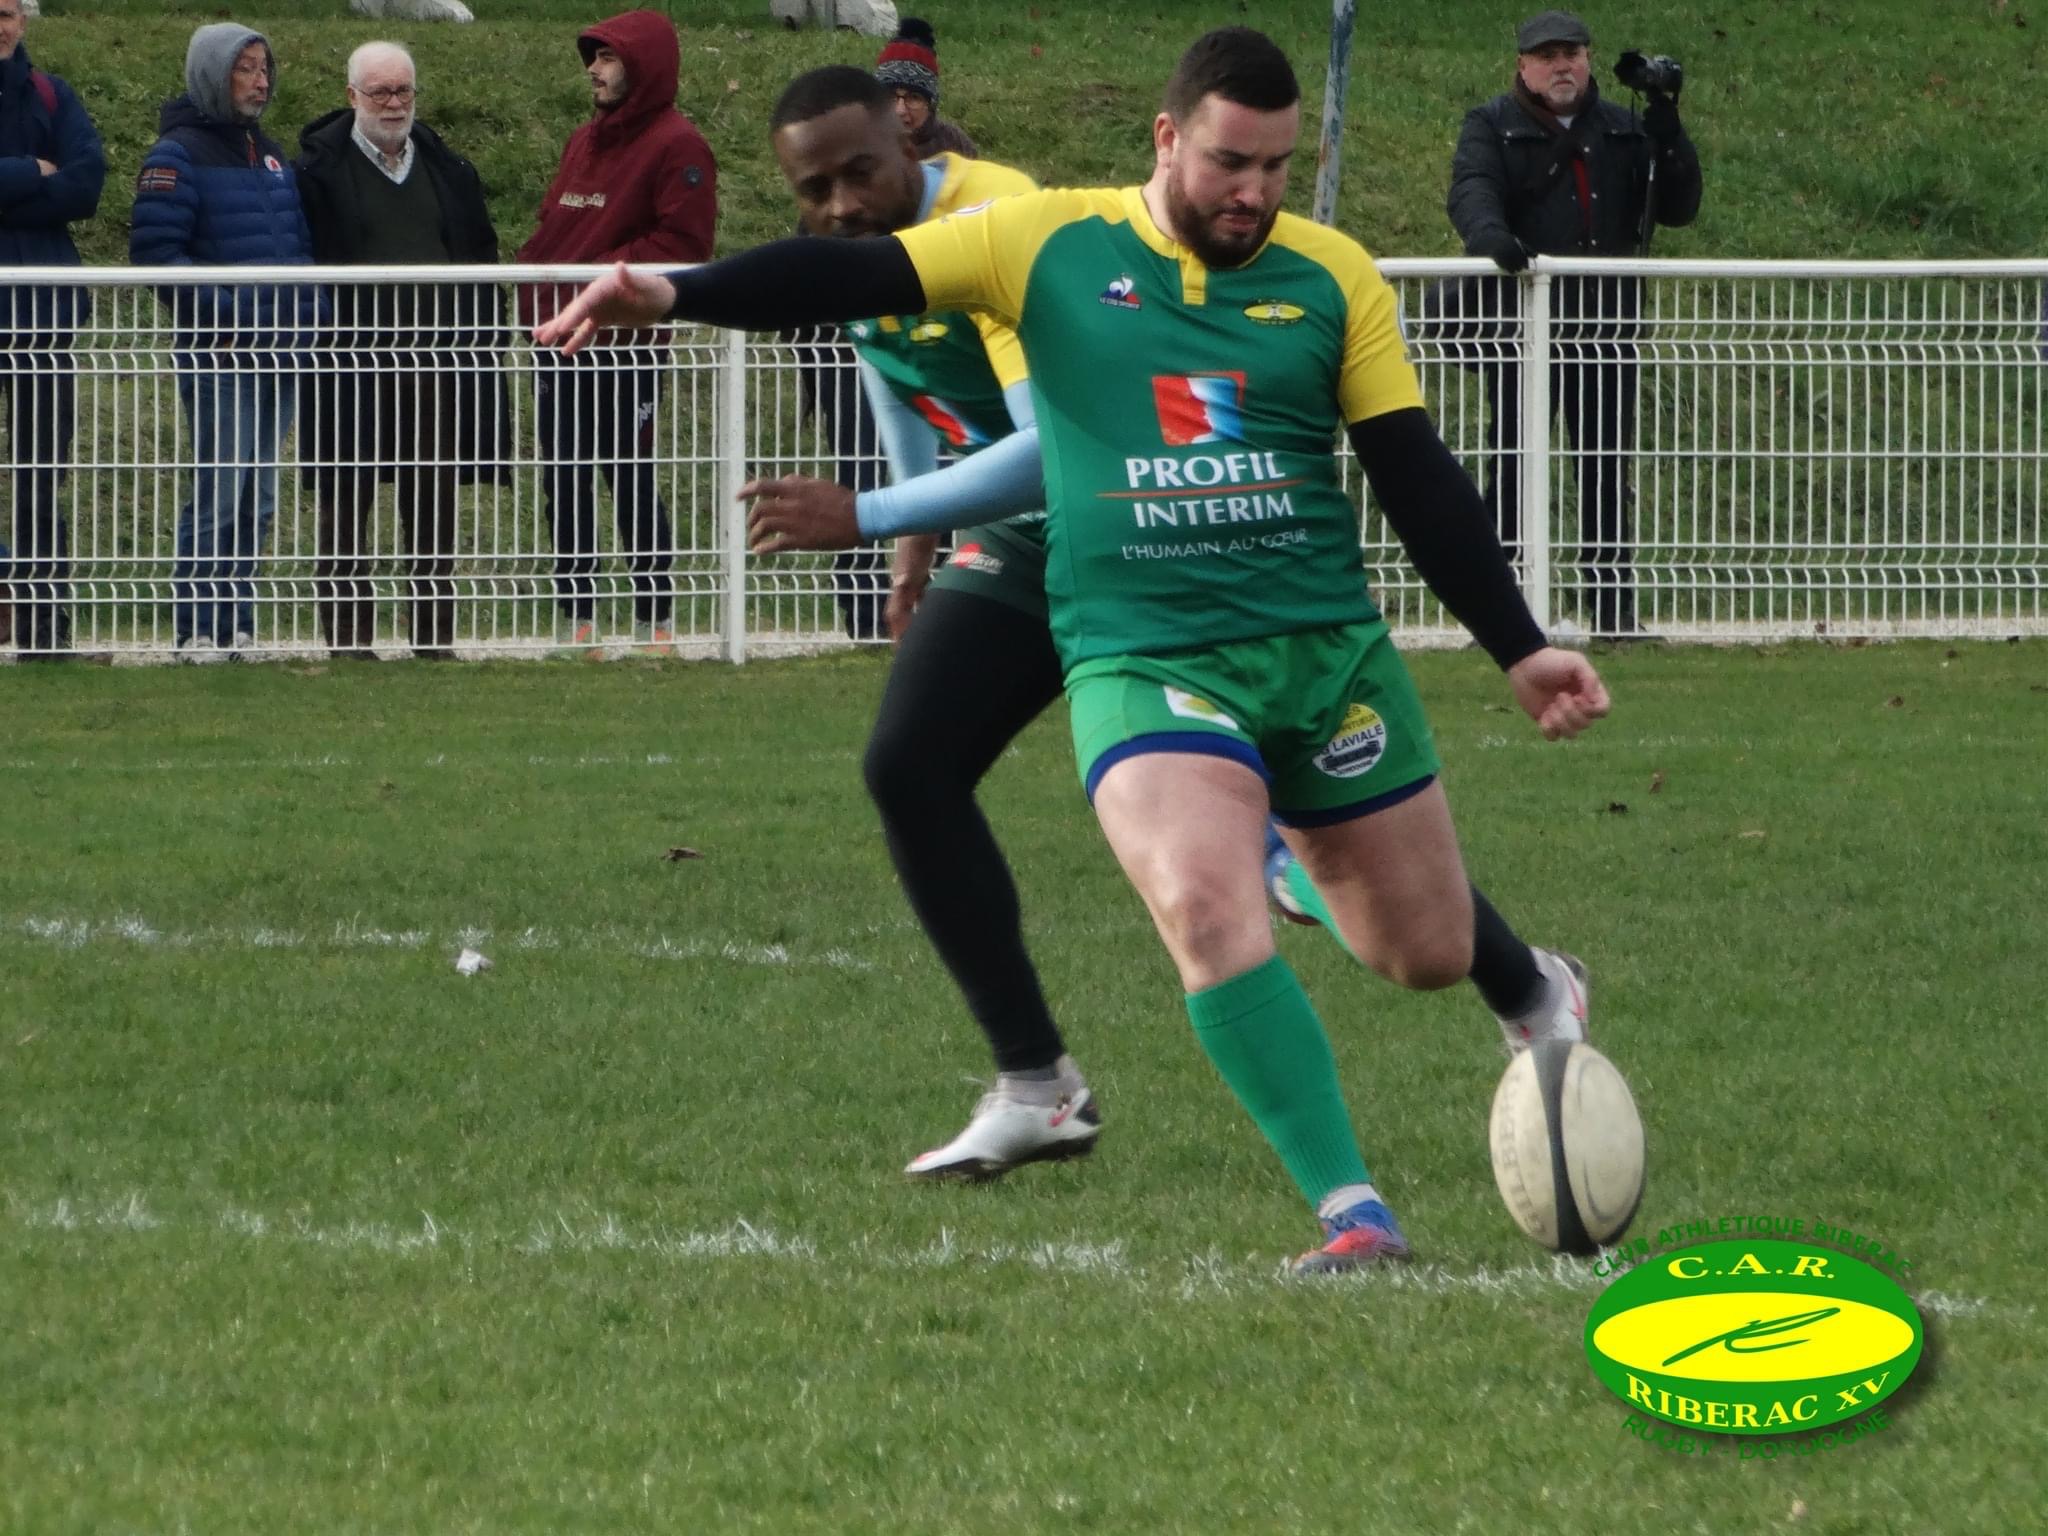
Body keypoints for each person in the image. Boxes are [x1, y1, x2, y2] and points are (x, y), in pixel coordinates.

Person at [538, 27, 1611, 1274]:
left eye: (1274, 166)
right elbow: (849, 274)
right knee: (1198, 903)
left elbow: (1414, 476)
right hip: (1142, 649)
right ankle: (1351, 1213)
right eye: (1227, 163)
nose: (1252, 192)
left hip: (1322, 653)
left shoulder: (1332, 276)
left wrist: (1517, 648)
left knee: (1419, 954)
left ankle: (1494, 964)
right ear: (1165, 138)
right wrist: (675, 291)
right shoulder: (1044, 238)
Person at [1447, 9, 1702, 636]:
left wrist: (1669, 136)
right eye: (1548, 56)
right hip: (1524, 328)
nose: (1562, 66)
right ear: (1523, 66)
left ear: (1588, 60)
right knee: (1513, 463)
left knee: (1606, 468)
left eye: (1573, 54)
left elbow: (1680, 208)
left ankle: (1613, 614)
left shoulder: (1624, 126)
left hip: (1607, 326)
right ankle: (1502, 614)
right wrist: (1490, 238)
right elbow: (1471, 190)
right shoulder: (1491, 123)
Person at [295, 41, 509, 660]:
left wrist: (478, 341)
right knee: (344, 504)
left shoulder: (449, 169)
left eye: (404, 91)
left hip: (433, 362)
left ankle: (434, 641)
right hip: (348, 364)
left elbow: (480, 252)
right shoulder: (316, 173)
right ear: (352, 96)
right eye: (380, 92)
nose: (394, 104)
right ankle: (349, 644)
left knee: (434, 502)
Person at [517, 8, 716, 657]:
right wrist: (540, 287)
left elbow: (683, 245)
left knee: (629, 475)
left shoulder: (679, 147)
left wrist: (599, 280)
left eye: (607, 58)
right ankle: (577, 621)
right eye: (592, 58)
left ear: (642, 66)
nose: (593, 70)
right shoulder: (585, 140)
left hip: (625, 347)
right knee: (563, 478)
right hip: (559, 338)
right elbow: (555, 223)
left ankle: (654, 621)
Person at [131, 23, 323, 662]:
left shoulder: (268, 154)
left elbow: (297, 248)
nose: (260, 82)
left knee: (258, 498)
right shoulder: (175, 156)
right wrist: (233, 316)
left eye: (265, 68)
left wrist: (311, 313)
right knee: (218, 493)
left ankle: (238, 625)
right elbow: (157, 257)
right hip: (222, 354)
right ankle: (196, 631)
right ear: (213, 74)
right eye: (245, 68)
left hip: (282, 352)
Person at [0, 0, 105, 659]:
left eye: (9, 12)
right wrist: (29, 172)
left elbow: (86, 185)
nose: (2, 24)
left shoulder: (52, 94)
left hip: (43, 318)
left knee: (41, 478)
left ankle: (45, 633)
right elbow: (58, 184)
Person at [876, 17, 977, 159]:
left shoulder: (954, 145)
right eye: (891, 96)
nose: (900, 110)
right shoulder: (861, 142)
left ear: (931, 105)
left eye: (914, 98)